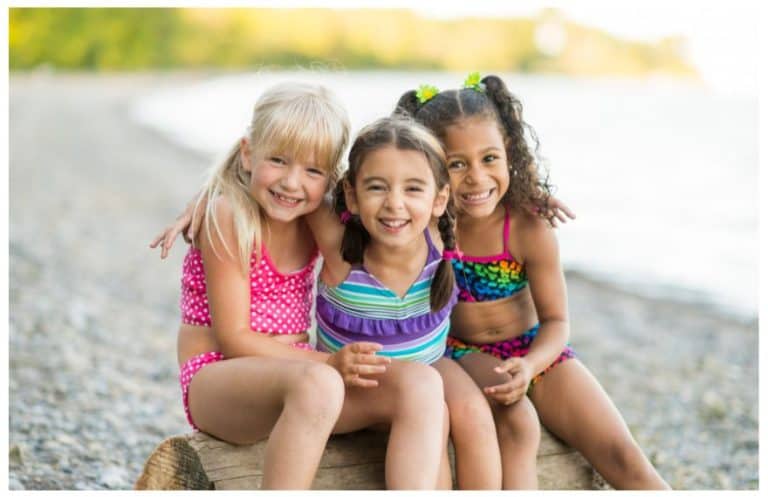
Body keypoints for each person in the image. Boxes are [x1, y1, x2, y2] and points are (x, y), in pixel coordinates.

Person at [394, 72, 670, 490]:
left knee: (623, 455)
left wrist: (532, 364)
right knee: (518, 425)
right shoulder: (426, 223)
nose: (476, 177)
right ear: (429, 166)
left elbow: (557, 321)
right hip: (462, 353)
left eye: (489, 159)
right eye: (456, 164)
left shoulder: (527, 228)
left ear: (509, 152)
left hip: (537, 350)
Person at [166, 82, 447, 489]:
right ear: (248, 153)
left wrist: (527, 203)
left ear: (331, 180)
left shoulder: (314, 217)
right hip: (219, 380)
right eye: (278, 161)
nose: (293, 183)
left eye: (312, 170)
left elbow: (400, 204)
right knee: (319, 383)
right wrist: (329, 363)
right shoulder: (229, 215)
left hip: (304, 378)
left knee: (423, 384)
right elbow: (234, 340)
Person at [307, 116, 503, 489]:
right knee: (437, 414)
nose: (394, 205)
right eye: (377, 187)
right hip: (356, 385)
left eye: (413, 189)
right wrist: (207, 203)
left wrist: (538, 198)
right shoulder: (340, 249)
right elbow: (290, 180)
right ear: (351, 194)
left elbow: (491, 180)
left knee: (475, 415)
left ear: (439, 198)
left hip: (428, 366)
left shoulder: (440, 235)